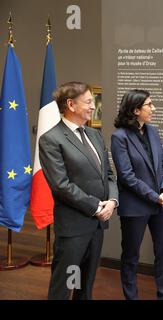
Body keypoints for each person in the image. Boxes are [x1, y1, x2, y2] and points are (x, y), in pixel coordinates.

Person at [39, 81, 118, 300]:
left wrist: (112, 201)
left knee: (86, 286)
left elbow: (109, 175)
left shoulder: (95, 135)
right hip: (74, 228)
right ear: (71, 105)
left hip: (98, 225)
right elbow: (61, 185)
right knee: (64, 287)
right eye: (89, 101)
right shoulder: (51, 139)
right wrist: (96, 206)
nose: (94, 106)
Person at [111, 89, 163, 300]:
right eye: (149, 105)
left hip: (161, 204)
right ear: (136, 110)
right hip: (135, 206)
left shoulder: (152, 131)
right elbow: (127, 177)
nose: (153, 108)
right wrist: (156, 196)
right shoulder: (119, 137)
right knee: (131, 257)